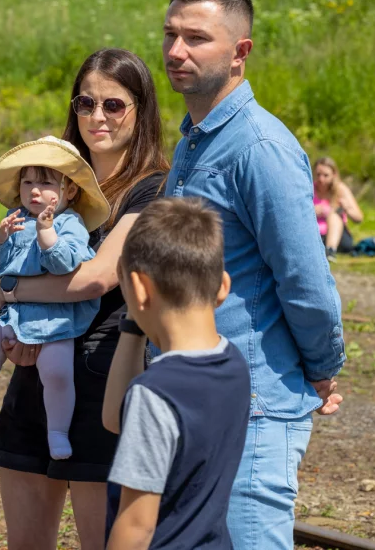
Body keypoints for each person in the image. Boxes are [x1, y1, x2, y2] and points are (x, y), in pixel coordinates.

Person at [161, 0, 345, 549]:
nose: (175, 51)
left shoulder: (259, 148)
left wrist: (321, 367)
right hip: (196, 394)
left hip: (253, 406)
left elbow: (306, 280)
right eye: (170, 34)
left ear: (240, 52)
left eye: (196, 37)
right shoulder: (195, 139)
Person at [0, 48, 170, 550]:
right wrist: (13, 319)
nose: (97, 116)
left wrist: (5, 291)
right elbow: (8, 251)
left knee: (99, 544)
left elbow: (94, 279)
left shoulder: (154, 188)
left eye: (114, 104)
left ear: (141, 110)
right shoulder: (49, 178)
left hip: (105, 377)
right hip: (38, 362)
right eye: (86, 103)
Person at [102, 198, 250, 549]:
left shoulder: (156, 394)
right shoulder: (234, 366)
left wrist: (137, 307)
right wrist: (133, 323)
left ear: (137, 289)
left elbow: (137, 525)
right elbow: (115, 419)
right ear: (223, 286)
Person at [0, 136, 110, 461]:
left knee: (56, 372)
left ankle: (57, 432)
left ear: (69, 191)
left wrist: (46, 233)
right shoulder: (16, 217)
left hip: (54, 318)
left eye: (45, 183)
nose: (34, 191)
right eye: (27, 183)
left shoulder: (70, 224)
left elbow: (65, 263)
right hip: (11, 312)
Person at [313, 156, 363, 261]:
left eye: (326, 175)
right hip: (316, 234)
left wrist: (346, 208)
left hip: (338, 236)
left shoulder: (340, 189)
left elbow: (359, 218)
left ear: (333, 175)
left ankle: (330, 251)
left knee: (334, 215)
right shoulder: (309, 189)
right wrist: (312, 210)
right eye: (318, 175)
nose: (321, 179)